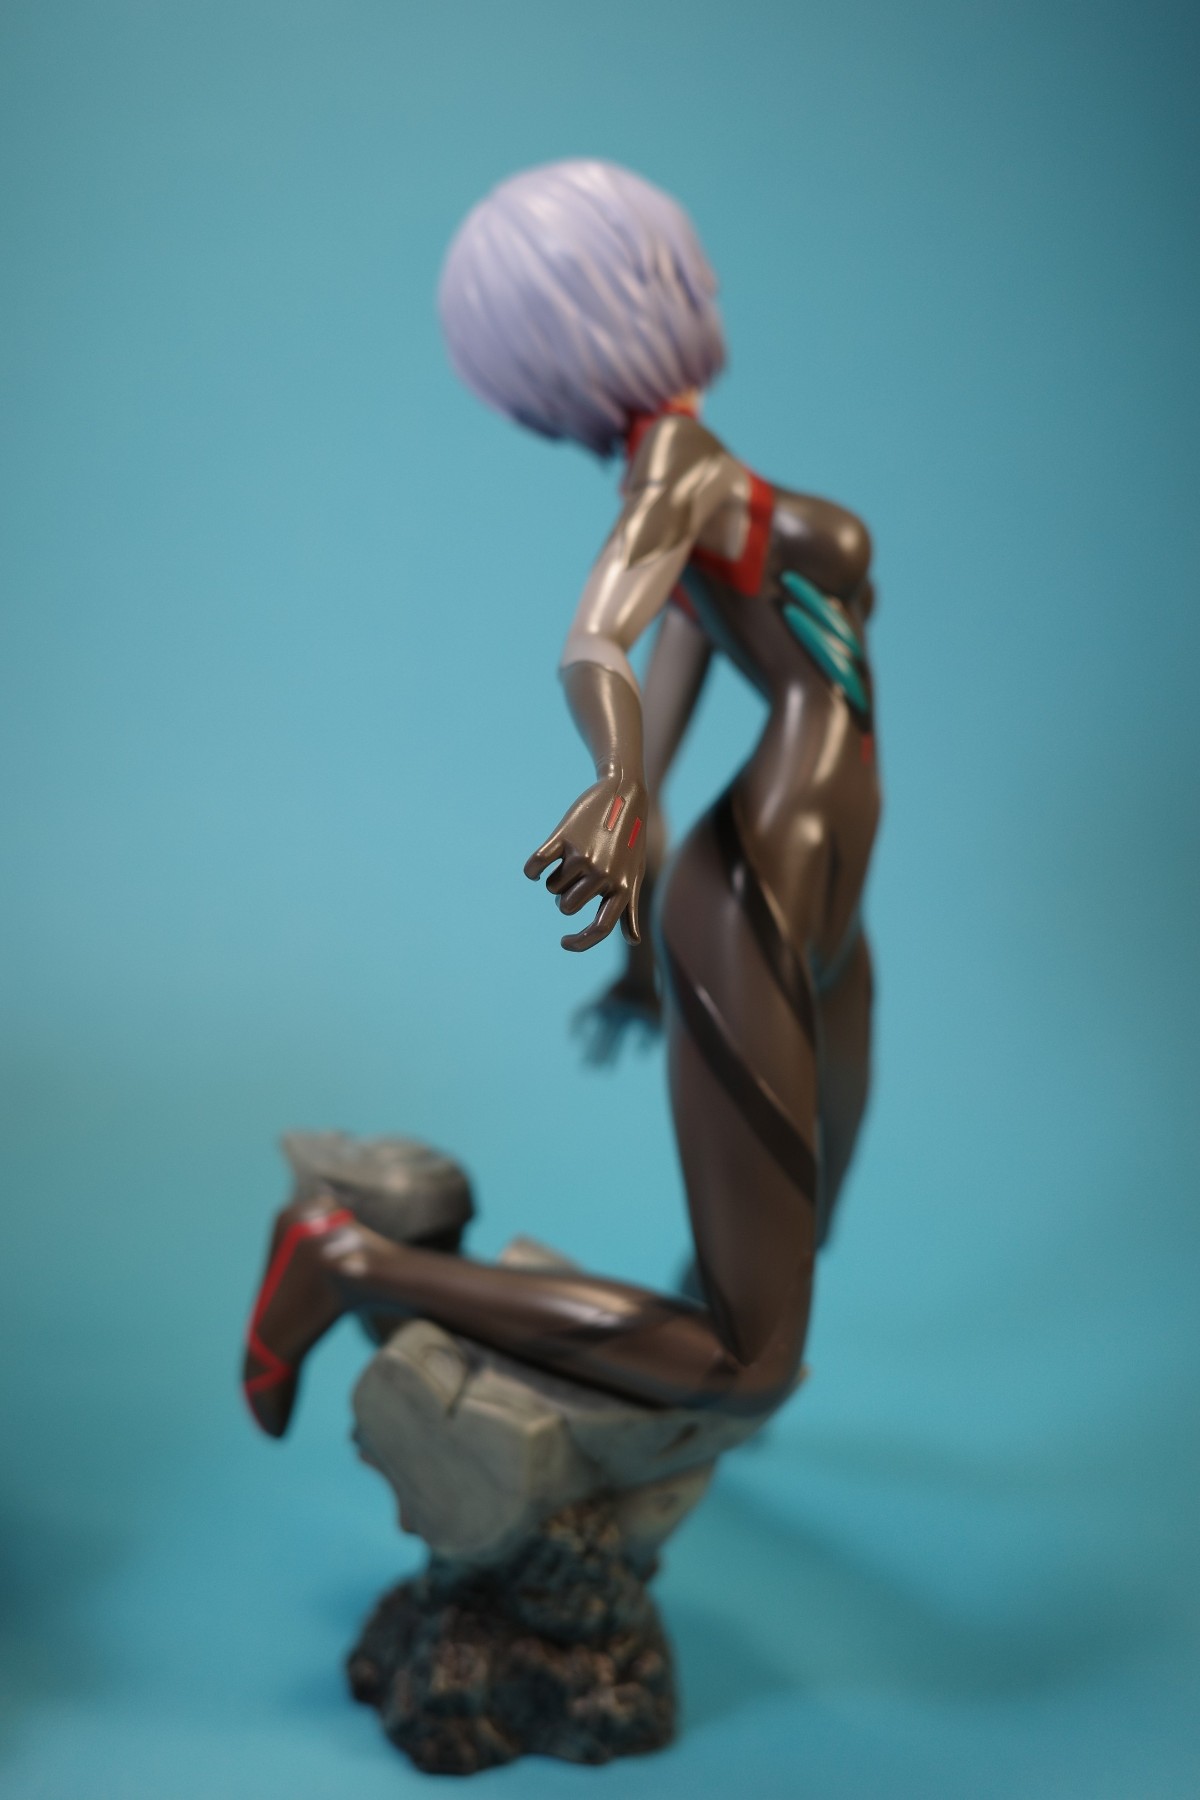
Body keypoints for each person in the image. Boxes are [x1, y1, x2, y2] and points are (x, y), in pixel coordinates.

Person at [242, 160, 880, 1431]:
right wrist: (614, 780)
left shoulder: (706, 482)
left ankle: (653, 1408)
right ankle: (341, 1263)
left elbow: (681, 663)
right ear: (627, 297)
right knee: (750, 1360)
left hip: (818, 901)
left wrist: (641, 886)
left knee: (802, 1220)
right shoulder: (679, 465)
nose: (701, 278)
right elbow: (598, 635)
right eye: (668, 262)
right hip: (761, 886)